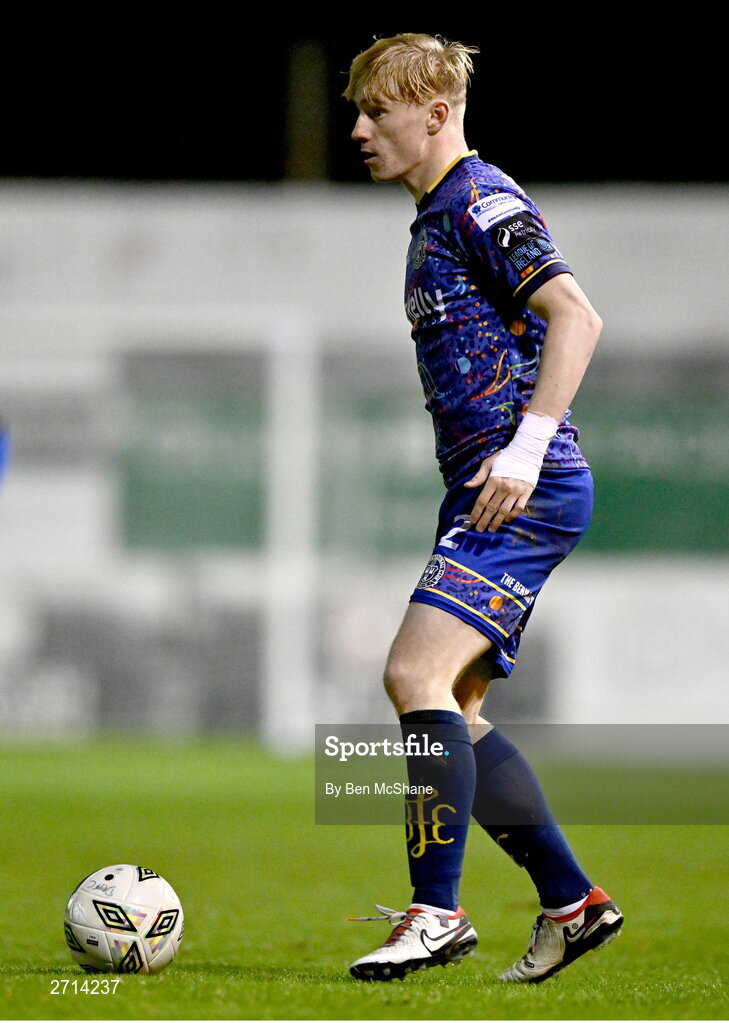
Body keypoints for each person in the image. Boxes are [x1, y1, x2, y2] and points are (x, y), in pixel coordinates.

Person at [343, 33, 623, 983]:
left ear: (433, 113)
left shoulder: (480, 200)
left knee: (408, 672)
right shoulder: (434, 217)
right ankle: (572, 900)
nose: (357, 129)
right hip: (483, 486)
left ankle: (434, 910)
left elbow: (576, 315)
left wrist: (528, 445)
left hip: (520, 486)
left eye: (375, 112)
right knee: (453, 708)